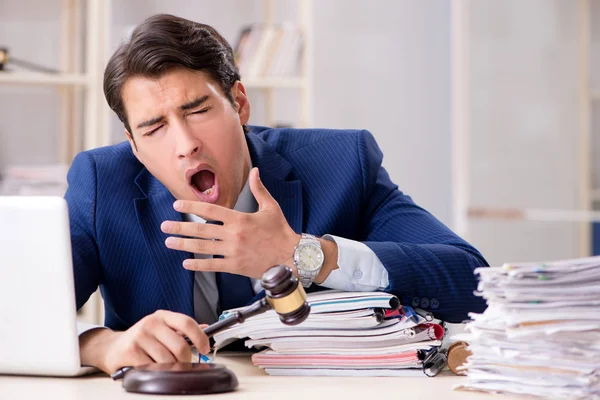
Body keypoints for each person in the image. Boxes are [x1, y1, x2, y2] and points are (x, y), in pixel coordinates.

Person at [67, 13, 488, 375]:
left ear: (239, 102)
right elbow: (13, 317)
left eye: (198, 111)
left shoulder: (341, 164)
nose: (185, 144)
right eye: (154, 128)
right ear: (134, 144)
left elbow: (474, 285)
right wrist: (101, 346)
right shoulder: (102, 184)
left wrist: (305, 255)